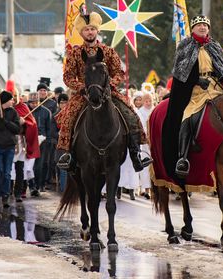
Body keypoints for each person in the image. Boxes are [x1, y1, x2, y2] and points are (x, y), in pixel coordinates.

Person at [55, 11, 152, 173]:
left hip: (107, 93)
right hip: (83, 94)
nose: (90, 32)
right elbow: (68, 76)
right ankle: (66, 154)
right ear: (82, 33)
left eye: (92, 29)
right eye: (86, 30)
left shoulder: (108, 51)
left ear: (97, 30)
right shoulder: (75, 53)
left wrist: (110, 84)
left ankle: (136, 153)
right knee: (68, 116)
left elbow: (119, 72)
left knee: (130, 113)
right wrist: (81, 87)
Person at [164, 15, 223, 179]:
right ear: (193, 28)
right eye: (199, 25)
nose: (203, 28)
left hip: (215, 86)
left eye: (205, 25)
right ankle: (182, 158)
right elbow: (180, 72)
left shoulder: (214, 46)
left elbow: (221, 67)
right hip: (194, 90)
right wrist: (196, 80)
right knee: (187, 115)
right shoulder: (185, 45)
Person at [29, 92, 52, 193]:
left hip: (42, 141)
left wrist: (47, 139)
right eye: (32, 103)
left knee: (40, 164)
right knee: (30, 165)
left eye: (36, 102)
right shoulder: (27, 112)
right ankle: (31, 185)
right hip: (29, 141)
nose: (34, 105)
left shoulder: (46, 112)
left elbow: (49, 128)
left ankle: (39, 185)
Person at [137, 92, 154, 199]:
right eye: (146, 101)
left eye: (150, 101)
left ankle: (154, 188)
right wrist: (146, 137)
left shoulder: (155, 110)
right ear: (143, 102)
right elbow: (142, 126)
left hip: (155, 142)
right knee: (146, 166)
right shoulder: (140, 112)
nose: (148, 103)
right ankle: (146, 189)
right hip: (145, 143)